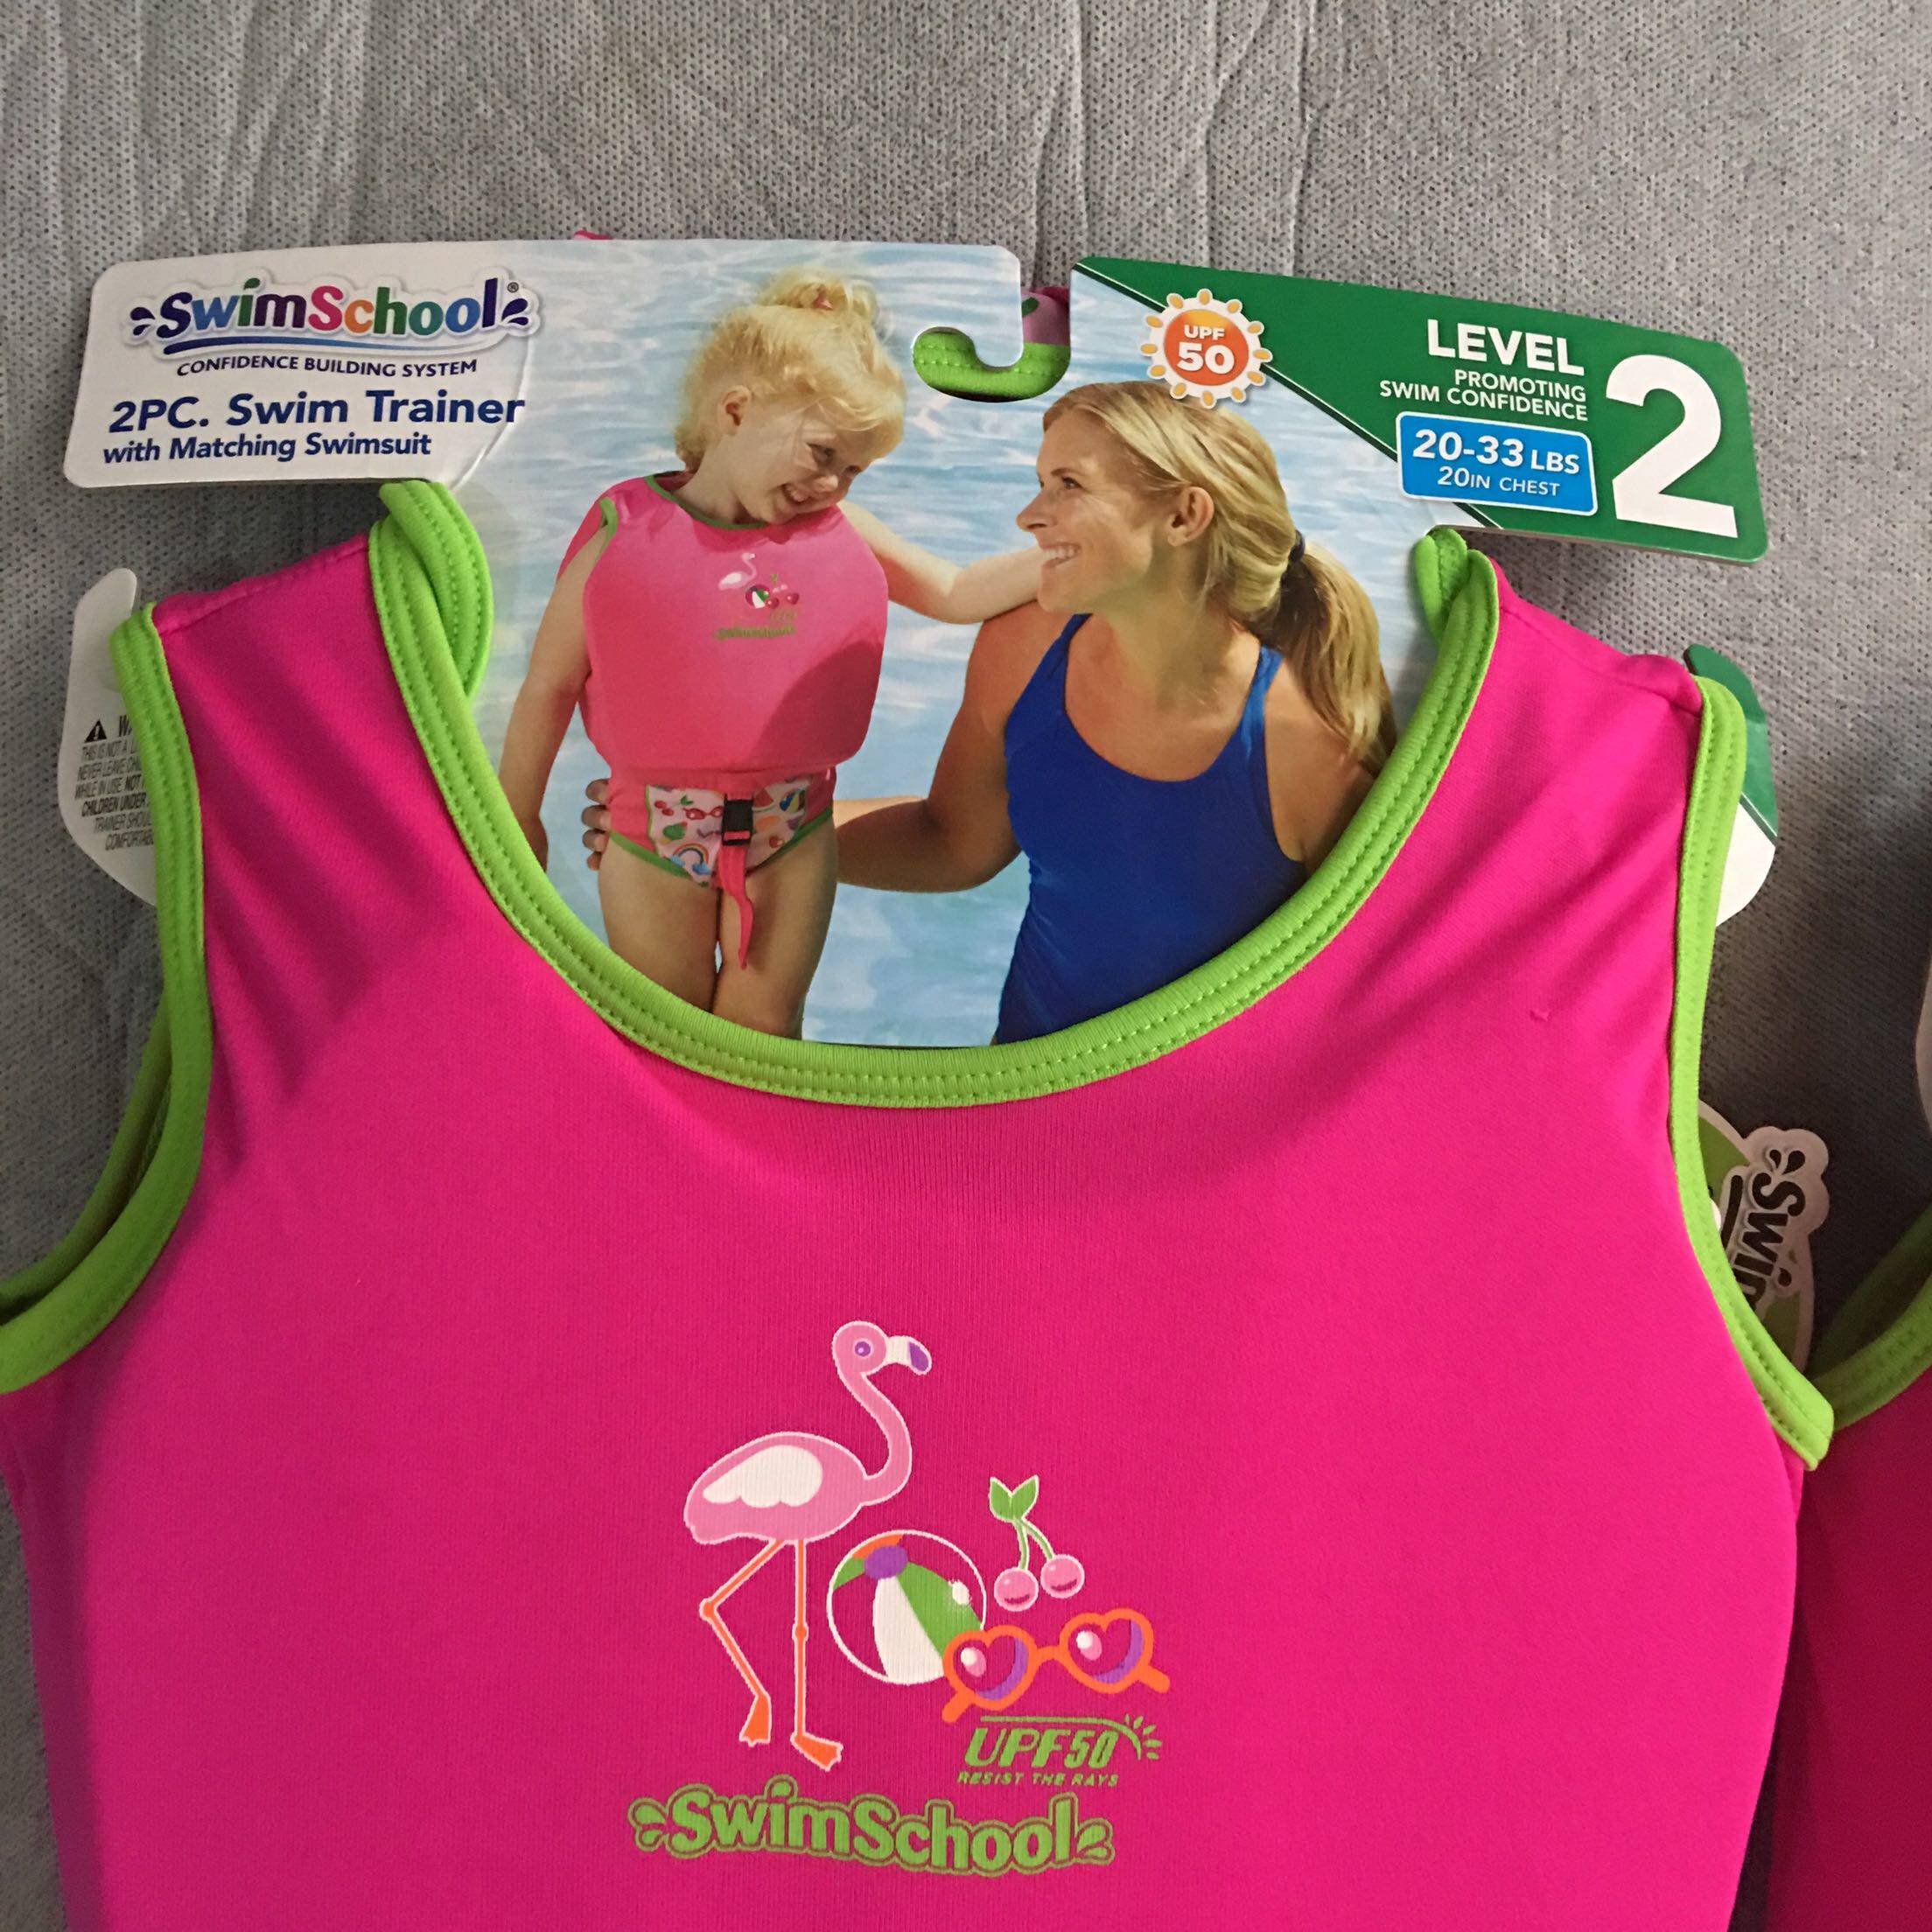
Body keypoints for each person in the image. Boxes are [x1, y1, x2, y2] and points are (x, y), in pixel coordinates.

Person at [498, 269, 1040, 1038]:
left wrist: (1070, 557)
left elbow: (953, 591)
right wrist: (519, 818)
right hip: (653, 833)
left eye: (854, 471)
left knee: (767, 1029)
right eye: (823, 454)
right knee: (666, 1027)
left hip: (795, 828)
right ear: (734, 411)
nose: (834, 486)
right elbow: (549, 687)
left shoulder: (842, 531)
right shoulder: (624, 533)